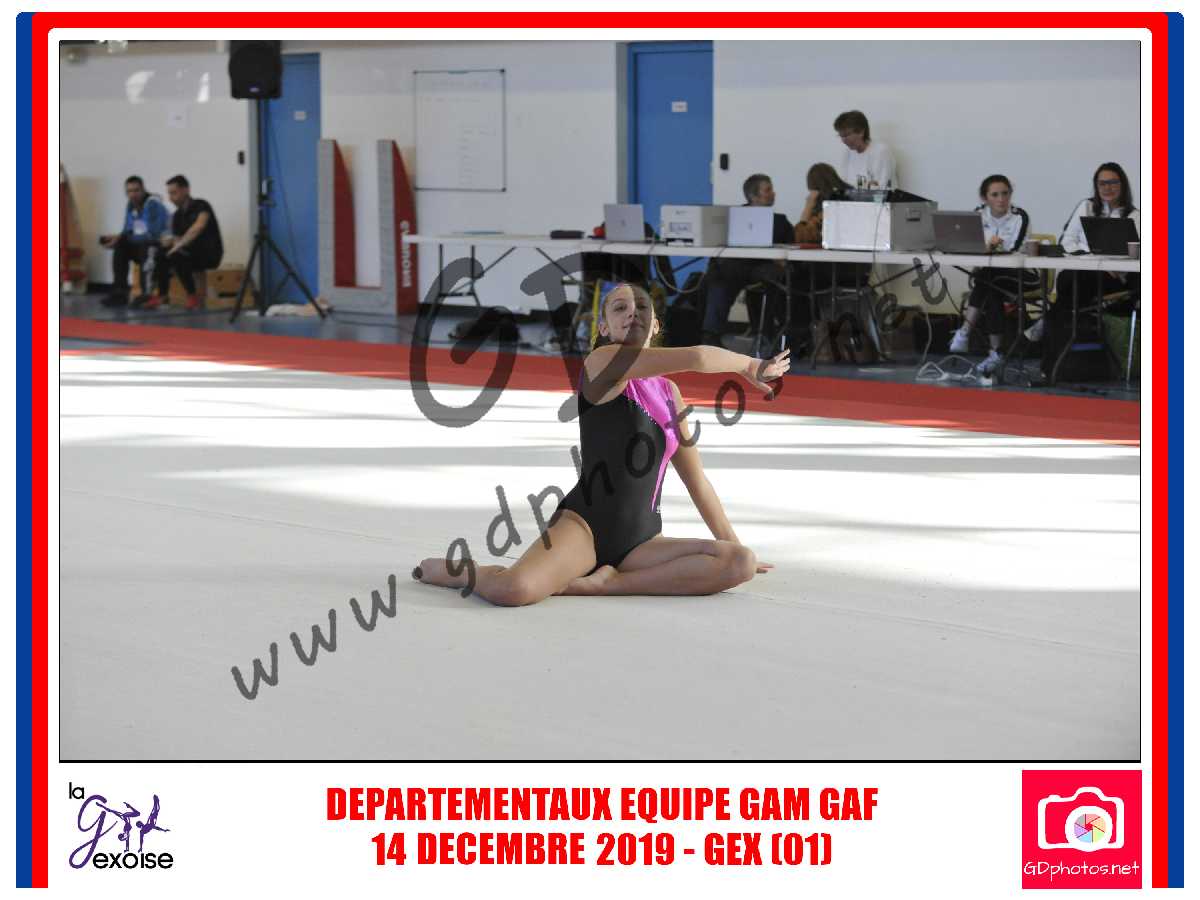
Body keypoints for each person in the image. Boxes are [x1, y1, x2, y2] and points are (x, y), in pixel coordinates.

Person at [414, 282, 788, 606]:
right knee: (515, 590)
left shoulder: (669, 394)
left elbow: (697, 481)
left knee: (739, 562)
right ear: (604, 327)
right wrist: (749, 364)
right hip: (585, 527)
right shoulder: (601, 363)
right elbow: (698, 357)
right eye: (620, 308)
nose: (632, 313)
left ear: (655, 325)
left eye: (642, 307)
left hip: (642, 540)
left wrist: (732, 543)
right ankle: (467, 572)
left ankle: (609, 583)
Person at [1025, 162, 1139, 344]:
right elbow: (1067, 242)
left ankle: (1050, 327)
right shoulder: (1086, 206)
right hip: (1082, 269)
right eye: (1102, 183)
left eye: (1113, 182)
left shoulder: (1134, 215)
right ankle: (1059, 332)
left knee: (1073, 283)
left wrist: (1107, 263)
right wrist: (1093, 255)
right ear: (1096, 186)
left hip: (1113, 277)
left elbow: (1134, 253)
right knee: (1069, 279)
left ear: (1122, 185)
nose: (1107, 187)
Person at [948, 174, 1032, 375]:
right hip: (990, 276)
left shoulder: (1020, 216)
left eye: (1005, 193)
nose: (1001, 199)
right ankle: (995, 354)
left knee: (987, 280)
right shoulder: (977, 215)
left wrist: (992, 247)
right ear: (985, 198)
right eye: (995, 195)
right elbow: (968, 244)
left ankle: (965, 331)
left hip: (1019, 274)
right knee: (992, 288)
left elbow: (1014, 249)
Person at [700, 173, 793, 347]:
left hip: (762, 268)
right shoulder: (731, 218)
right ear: (753, 196)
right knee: (720, 276)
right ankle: (711, 335)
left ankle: (764, 334)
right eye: (768, 190)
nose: (773, 193)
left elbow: (788, 250)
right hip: (737, 266)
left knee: (726, 273)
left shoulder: (780, 222)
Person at [146, 174, 224, 311]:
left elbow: (199, 226)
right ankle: (162, 295)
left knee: (176, 253)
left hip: (209, 253)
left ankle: (192, 296)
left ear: (186, 190)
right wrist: (168, 242)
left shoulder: (201, 205)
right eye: (169, 194)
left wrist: (178, 243)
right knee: (161, 253)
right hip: (189, 253)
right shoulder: (176, 216)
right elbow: (176, 238)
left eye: (174, 193)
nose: (171, 197)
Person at [99, 176, 169, 308]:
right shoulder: (131, 205)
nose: (132, 194)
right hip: (141, 244)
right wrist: (116, 239)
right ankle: (120, 292)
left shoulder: (152, 204)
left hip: (159, 246)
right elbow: (128, 229)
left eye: (136, 190)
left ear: (143, 189)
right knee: (121, 245)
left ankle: (146, 294)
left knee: (146, 246)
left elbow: (152, 234)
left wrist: (128, 236)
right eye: (129, 191)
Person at [834, 110, 898, 189]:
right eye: (841, 136)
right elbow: (843, 183)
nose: (843, 140)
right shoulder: (847, 153)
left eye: (846, 135)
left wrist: (863, 187)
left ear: (861, 132)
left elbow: (883, 188)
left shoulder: (880, 151)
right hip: (854, 196)